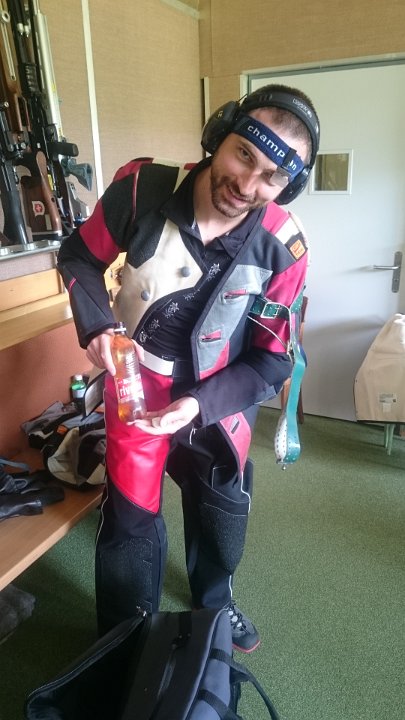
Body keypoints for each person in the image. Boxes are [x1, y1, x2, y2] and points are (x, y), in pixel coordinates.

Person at [57, 83, 320, 653]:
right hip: (137, 389)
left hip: (219, 398)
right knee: (129, 525)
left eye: (272, 177)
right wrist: (97, 325)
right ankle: (126, 635)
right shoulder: (142, 188)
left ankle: (216, 603)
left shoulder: (284, 248)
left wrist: (199, 404)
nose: (247, 184)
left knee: (222, 513)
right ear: (218, 135)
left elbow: (272, 359)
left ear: (287, 186)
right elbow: (78, 254)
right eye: (244, 154)